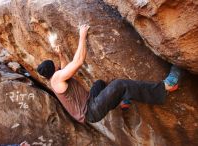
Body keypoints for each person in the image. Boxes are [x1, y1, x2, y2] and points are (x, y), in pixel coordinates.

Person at [37, 24, 181, 123]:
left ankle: (122, 99)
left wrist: (61, 54)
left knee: (99, 84)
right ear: (54, 70)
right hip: (91, 111)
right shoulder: (57, 79)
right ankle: (165, 87)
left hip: (90, 102)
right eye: (56, 66)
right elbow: (77, 62)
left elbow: (63, 69)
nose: (58, 67)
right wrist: (82, 35)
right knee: (120, 84)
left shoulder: (55, 79)